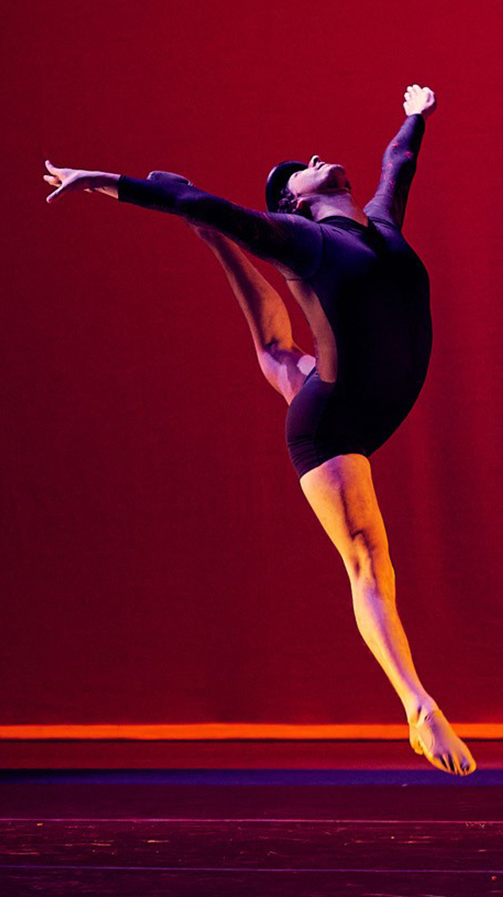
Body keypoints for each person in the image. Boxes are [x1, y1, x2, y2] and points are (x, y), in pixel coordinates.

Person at [43, 83, 477, 776]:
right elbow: (197, 198)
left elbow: (398, 164)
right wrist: (105, 182)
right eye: (297, 168)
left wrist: (414, 116)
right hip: (333, 424)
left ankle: (214, 247)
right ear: (294, 202)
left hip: (363, 400)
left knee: (280, 358)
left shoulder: (381, 227)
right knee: (368, 558)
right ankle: (417, 706)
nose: (314, 157)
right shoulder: (303, 239)